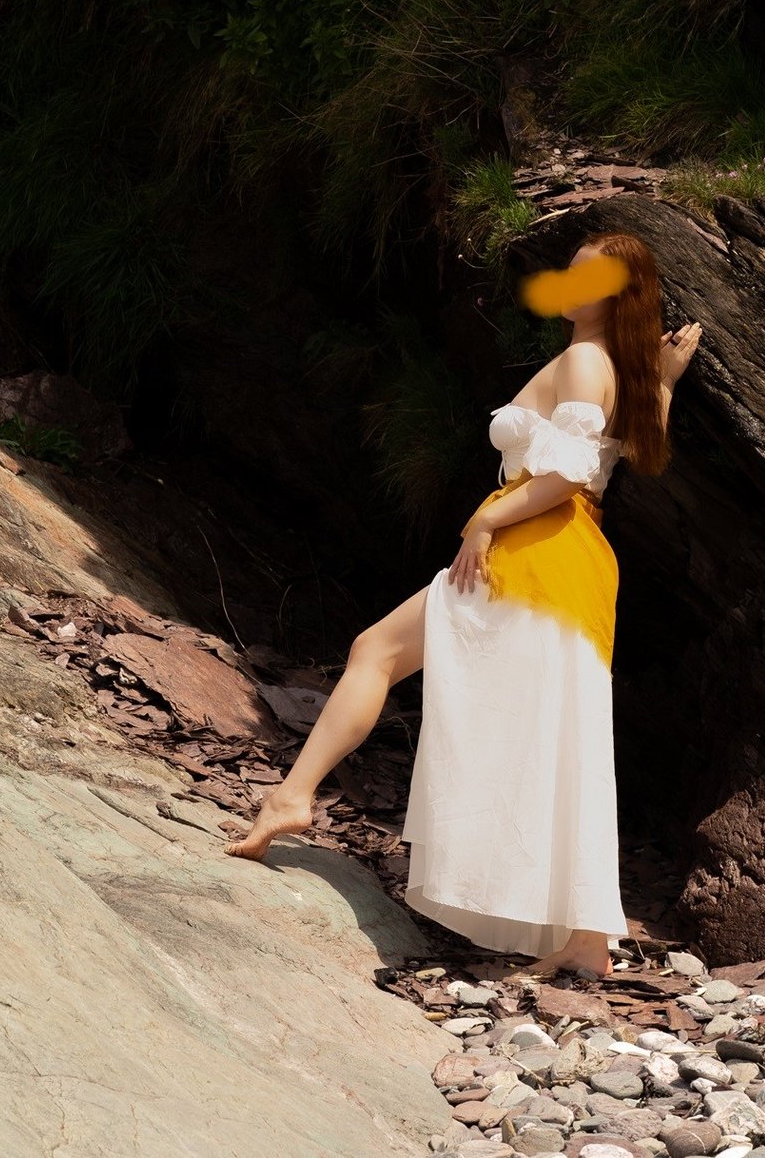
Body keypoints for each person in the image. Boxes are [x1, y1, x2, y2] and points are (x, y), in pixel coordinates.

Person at [223, 230, 702, 980]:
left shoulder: (586, 360)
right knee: (560, 733)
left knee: (376, 651)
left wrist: (485, 520)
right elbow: (631, 453)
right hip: (570, 554)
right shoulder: (616, 368)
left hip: (536, 544)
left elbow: (571, 473)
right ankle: (586, 936)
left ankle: (291, 797)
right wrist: (666, 383)